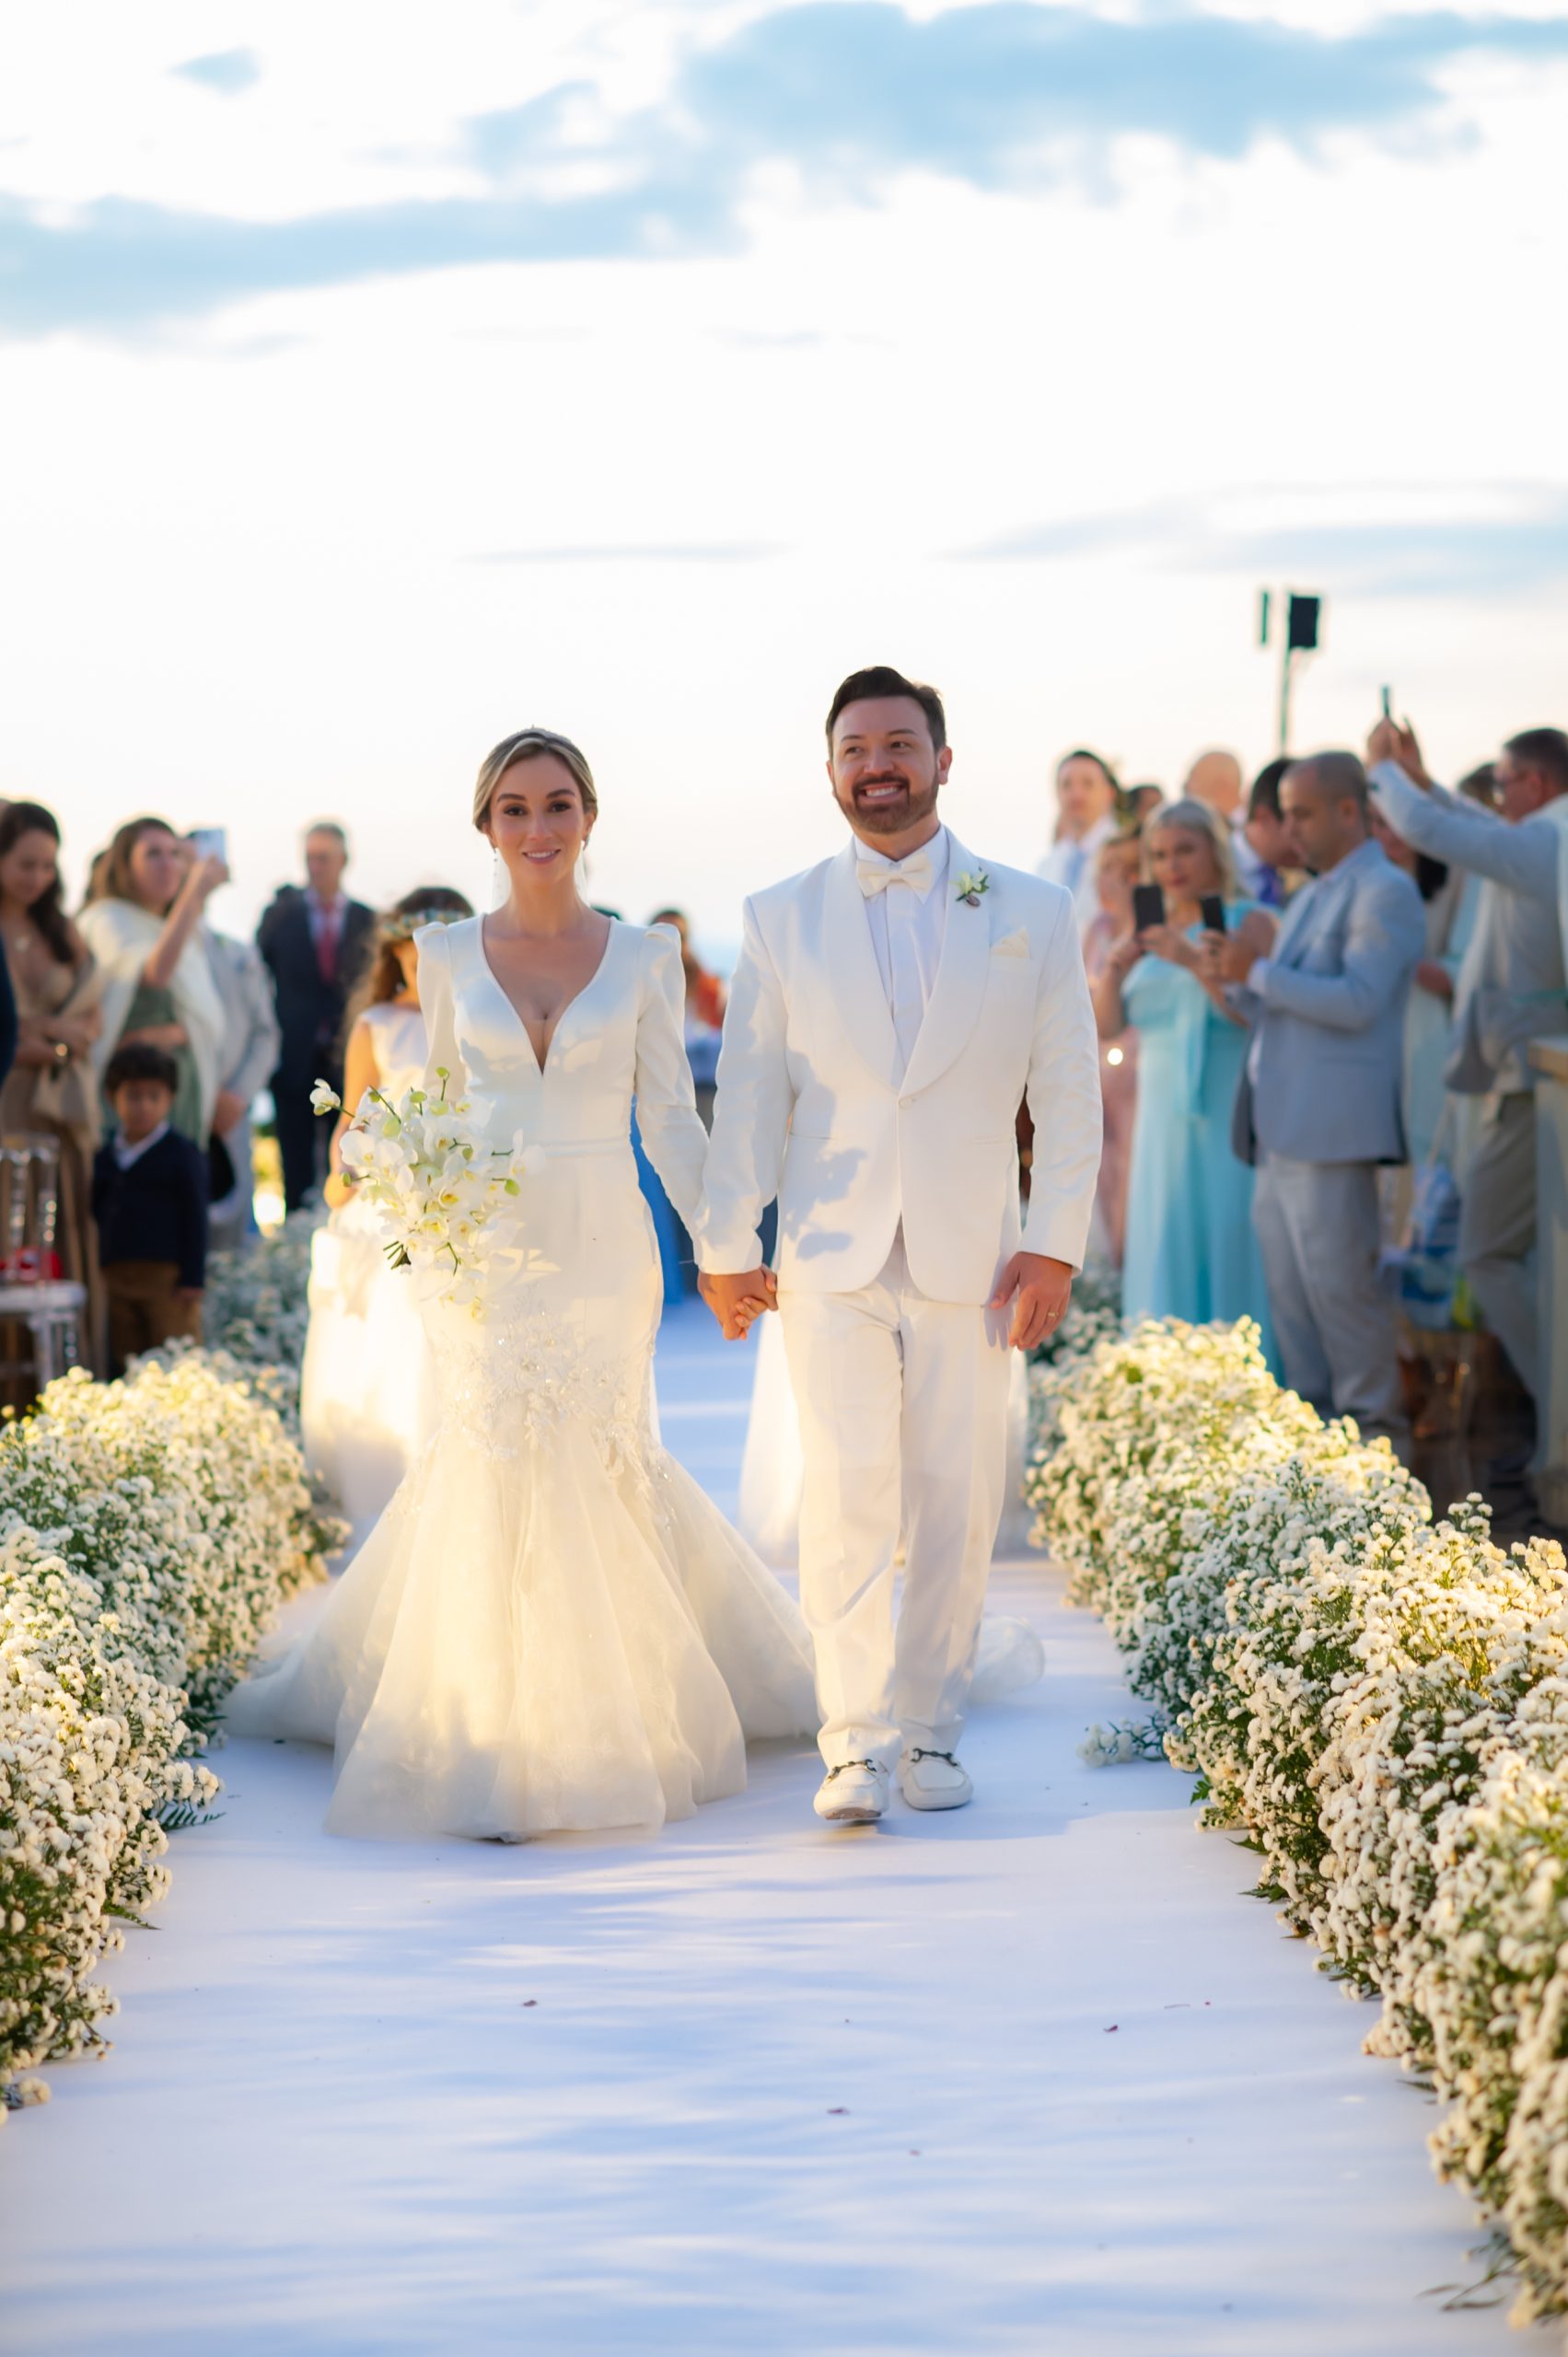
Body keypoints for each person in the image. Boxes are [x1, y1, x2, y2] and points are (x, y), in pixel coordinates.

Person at [226, 728, 818, 1841]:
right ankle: (487, 1728)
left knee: (599, 1455)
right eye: (513, 808)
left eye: (556, 805)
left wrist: (720, 1249)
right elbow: (437, 1112)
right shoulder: (444, 955)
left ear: (588, 817)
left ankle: (620, 1716)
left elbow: (670, 1121)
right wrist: (417, 1220)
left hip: (604, 1243)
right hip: (483, 1247)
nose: (536, 828)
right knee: (493, 1456)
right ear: (485, 826)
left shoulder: (643, 955)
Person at [698, 665, 1101, 1825]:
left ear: (939, 759)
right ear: (829, 769)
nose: (876, 765)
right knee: (845, 1496)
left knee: (952, 1498)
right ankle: (854, 1742)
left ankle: (930, 1731)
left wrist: (1053, 1245)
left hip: (974, 1253)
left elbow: (1066, 1095)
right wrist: (729, 1244)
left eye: (897, 743)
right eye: (854, 748)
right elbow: (752, 1095)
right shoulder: (778, 915)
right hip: (828, 1250)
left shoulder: (1027, 909)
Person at [1204, 752, 1424, 1446]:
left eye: (1300, 812)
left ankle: (1380, 1474)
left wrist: (1260, 971)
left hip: (1332, 1137)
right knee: (1294, 1319)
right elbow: (1275, 1006)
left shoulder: (1384, 890)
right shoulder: (1310, 894)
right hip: (1277, 1134)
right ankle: (1319, 1487)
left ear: (1349, 811)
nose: (1289, 827)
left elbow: (1360, 1000)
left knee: (1345, 1310)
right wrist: (1232, 977)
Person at [1366, 718, 1568, 1422]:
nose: (1496, 794)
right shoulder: (1544, 836)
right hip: (1522, 1077)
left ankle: (1557, 1393)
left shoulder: (1545, 839)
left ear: (1535, 783)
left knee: (1485, 1250)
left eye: (1505, 780)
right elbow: (1466, 819)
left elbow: (1439, 832)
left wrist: (1380, 772)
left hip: (1533, 1082)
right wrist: (1414, 778)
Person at [298, 887, 471, 1544]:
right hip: (389, 1200)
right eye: (415, 954)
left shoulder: (480, 1021)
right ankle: (388, 1488)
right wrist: (347, 1170)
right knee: (384, 1347)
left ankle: (451, 1484)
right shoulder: (377, 1024)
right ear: (395, 955)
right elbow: (357, 1112)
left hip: (455, 1194)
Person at [1091, 800, 1275, 1342]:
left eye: (1185, 850)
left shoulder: (1251, 921)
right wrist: (1115, 968)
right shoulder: (1145, 931)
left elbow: (1250, 1012)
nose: (1172, 865)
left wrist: (1190, 959)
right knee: (1162, 1235)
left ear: (1215, 852)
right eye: (1160, 854)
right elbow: (1107, 1027)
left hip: (1227, 1107)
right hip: (1161, 1116)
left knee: (1230, 1233)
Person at [0, 801, 105, 1346]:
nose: (38, 878)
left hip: (60, 1110)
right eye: (25, 864)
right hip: (6, 1105)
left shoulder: (63, 931)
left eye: (48, 865)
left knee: (63, 1227)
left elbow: (93, 1017)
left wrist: (49, 1037)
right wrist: (35, 1035)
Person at [78, 819, 229, 1149]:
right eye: (153, 854)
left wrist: (175, 1033)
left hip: (180, 1095)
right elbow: (154, 974)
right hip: (127, 1101)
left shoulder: (176, 929)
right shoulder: (106, 918)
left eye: (175, 854)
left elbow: (201, 1013)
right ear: (125, 863)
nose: (168, 864)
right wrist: (193, 893)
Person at [257, 823, 375, 1212]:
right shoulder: (279, 918)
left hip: (349, 1059)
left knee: (352, 1154)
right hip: (293, 1058)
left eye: (324, 857)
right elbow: (257, 982)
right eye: (310, 858)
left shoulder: (367, 920)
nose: (316, 866)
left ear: (344, 860)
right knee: (293, 1159)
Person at [91, 1043, 207, 1375]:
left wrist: (192, 1278)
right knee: (126, 1352)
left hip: (166, 1279)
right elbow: (98, 1207)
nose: (143, 1106)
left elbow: (195, 1216)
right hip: (117, 1274)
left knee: (174, 1351)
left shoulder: (181, 1154)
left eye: (153, 1096)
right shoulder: (106, 1155)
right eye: (133, 1096)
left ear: (170, 1099)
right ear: (113, 1097)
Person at [1080, 829, 1143, 1264]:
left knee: (1133, 1179)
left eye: (1129, 869)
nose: (1117, 879)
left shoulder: (1152, 933)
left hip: (1139, 1074)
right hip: (1096, 1070)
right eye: (1108, 868)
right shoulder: (1094, 930)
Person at [203, 926, 282, 1254]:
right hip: (168, 1108)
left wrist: (236, 1098)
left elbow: (266, 1034)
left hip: (230, 1115)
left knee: (230, 1236)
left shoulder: (236, 953)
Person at [1036, 749, 1121, 935]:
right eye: (1067, 785)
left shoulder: (1125, 856)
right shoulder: (1047, 864)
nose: (1076, 795)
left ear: (1109, 793)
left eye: (1088, 784)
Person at [1242, 758, 1304, 910]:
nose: (1310, 836)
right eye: (1300, 819)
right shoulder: (1213, 867)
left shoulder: (1307, 877)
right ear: (1263, 817)